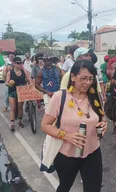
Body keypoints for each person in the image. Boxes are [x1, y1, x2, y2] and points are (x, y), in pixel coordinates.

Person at [41, 60, 107, 192]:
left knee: (93, 189)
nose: (87, 83)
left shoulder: (94, 96)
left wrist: (104, 124)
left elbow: (101, 117)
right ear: (72, 77)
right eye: (83, 78)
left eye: (90, 79)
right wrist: (67, 136)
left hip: (92, 152)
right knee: (65, 186)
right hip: (66, 154)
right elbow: (45, 125)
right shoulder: (60, 97)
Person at [5, 57, 32, 132]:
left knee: (20, 107)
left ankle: (20, 121)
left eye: (21, 63)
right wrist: (9, 84)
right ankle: (12, 123)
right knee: (13, 108)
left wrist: (30, 85)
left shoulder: (24, 72)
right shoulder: (10, 72)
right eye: (18, 63)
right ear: (14, 64)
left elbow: (30, 81)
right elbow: (6, 82)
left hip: (21, 92)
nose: (20, 64)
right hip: (12, 91)